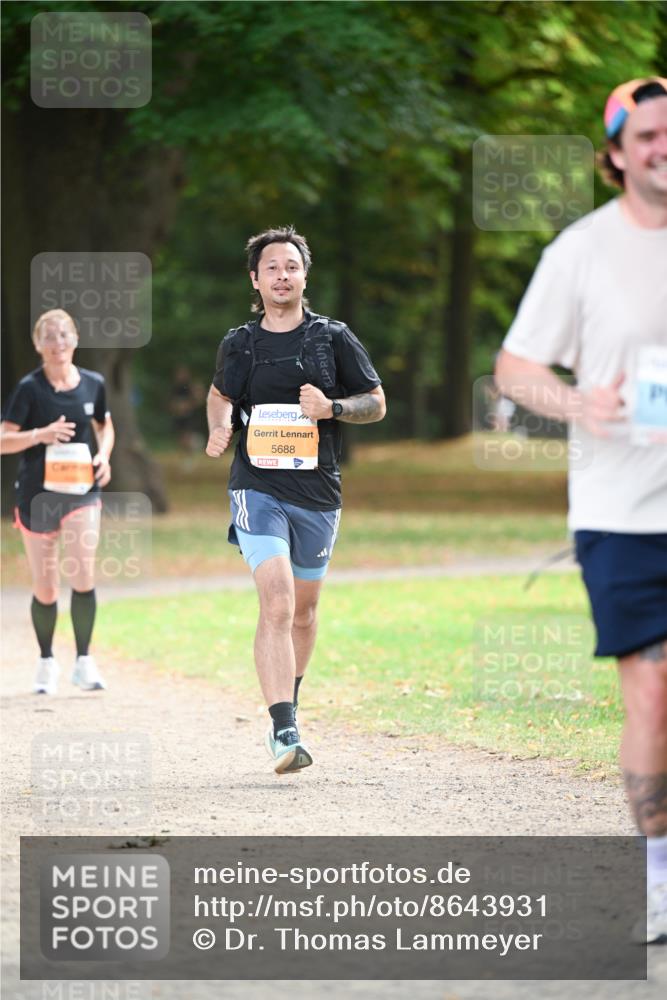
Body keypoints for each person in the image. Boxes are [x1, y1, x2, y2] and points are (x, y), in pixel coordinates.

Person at [495, 78, 667, 942]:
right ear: (612, 155)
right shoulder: (581, 250)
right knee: (652, 689)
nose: (661, 146)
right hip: (621, 511)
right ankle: (657, 881)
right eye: (644, 136)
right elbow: (515, 367)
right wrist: (578, 405)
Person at [206, 226, 386, 774]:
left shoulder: (332, 338)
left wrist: (333, 408)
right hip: (257, 487)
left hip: (318, 492)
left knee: (304, 612)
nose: (282, 276)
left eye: (291, 266)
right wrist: (219, 429)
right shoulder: (240, 343)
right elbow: (221, 396)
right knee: (278, 600)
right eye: (272, 268)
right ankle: (284, 728)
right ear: (255, 279)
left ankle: (291, 699)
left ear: (304, 275)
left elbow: (376, 403)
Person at [1, 308, 115, 694]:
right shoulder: (29, 388)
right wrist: (41, 434)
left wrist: (104, 455)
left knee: (83, 573)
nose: (57, 342)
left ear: (75, 340)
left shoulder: (93, 383)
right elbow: (4, 440)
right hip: (37, 496)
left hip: (83, 493)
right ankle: (47, 660)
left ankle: (84, 661)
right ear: (38, 344)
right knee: (46, 585)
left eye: (63, 334)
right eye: (48, 336)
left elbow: (104, 424)